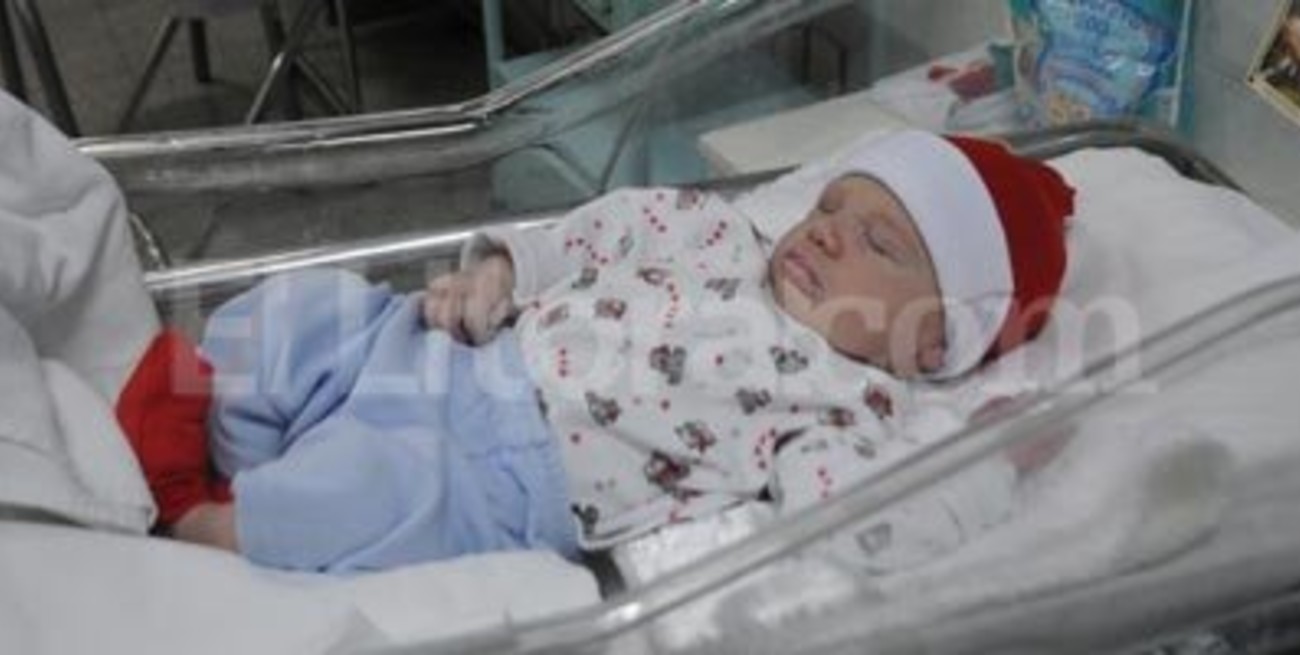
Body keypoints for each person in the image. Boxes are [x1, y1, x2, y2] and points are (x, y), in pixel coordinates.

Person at [119, 130, 1075, 573]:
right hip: (462, 345)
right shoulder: (719, 232)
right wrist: (502, 269)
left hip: (507, 474)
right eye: (832, 206)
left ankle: (207, 525)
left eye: (880, 243)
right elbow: (596, 230)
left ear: (935, 341)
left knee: (372, 495)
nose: (827, 231)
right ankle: (232, 439)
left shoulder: (845, 404)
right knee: (308, 312)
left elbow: (871, 523)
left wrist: (987, 461)